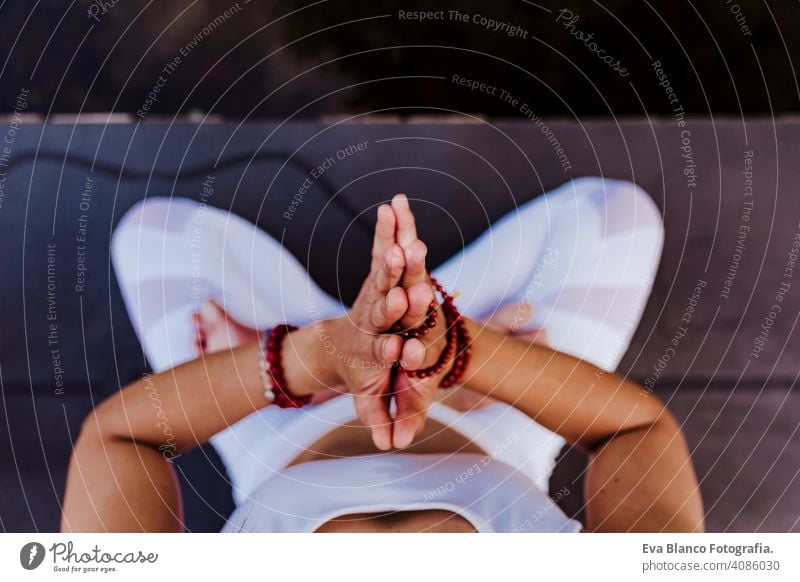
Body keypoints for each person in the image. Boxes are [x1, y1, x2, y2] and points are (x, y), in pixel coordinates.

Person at [61, 178, 704, 532]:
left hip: (278, 435)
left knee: (156, 237)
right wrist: (462, 358)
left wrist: (309, 360)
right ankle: (436, 358)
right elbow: (636, 432)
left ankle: (335, 347)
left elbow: (117, 439)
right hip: (496, 425)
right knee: (616, 216)